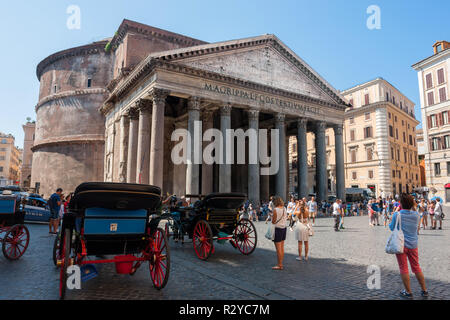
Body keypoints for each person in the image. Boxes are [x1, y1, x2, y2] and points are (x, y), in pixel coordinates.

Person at [389, 193, 428, 298]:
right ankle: (424, 290)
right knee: (416, 267)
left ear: (400, 203)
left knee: (403, 268)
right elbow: (417, 210)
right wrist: (413, 204)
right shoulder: (416, 215)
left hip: (401, 245)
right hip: (413, 244)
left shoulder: (397, 215)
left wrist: (395, 213)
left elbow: (391, 228)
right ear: (412, 203)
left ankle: (408, 292)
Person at [271, 196, 287, 270]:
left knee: (278, 249)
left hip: (278, 229)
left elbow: (273, 221)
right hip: (284, 228)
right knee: (282, 247)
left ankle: (279, 265)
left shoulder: (275, 210)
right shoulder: (284, 208)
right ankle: (281, 264)